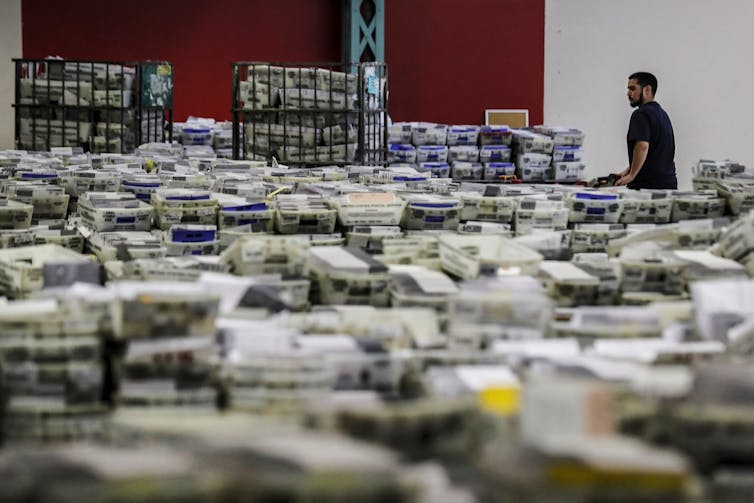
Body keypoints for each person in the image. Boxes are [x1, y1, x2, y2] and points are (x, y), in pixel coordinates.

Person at [615, 72, 677, 189]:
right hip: (669, 185)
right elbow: (653, 153)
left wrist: (632, 175)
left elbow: (642, 146)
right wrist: (628, 171)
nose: (628, 93)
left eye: (633, 89)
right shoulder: (663, 115)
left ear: (647, 90)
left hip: (646, 187)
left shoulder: (641, 114)